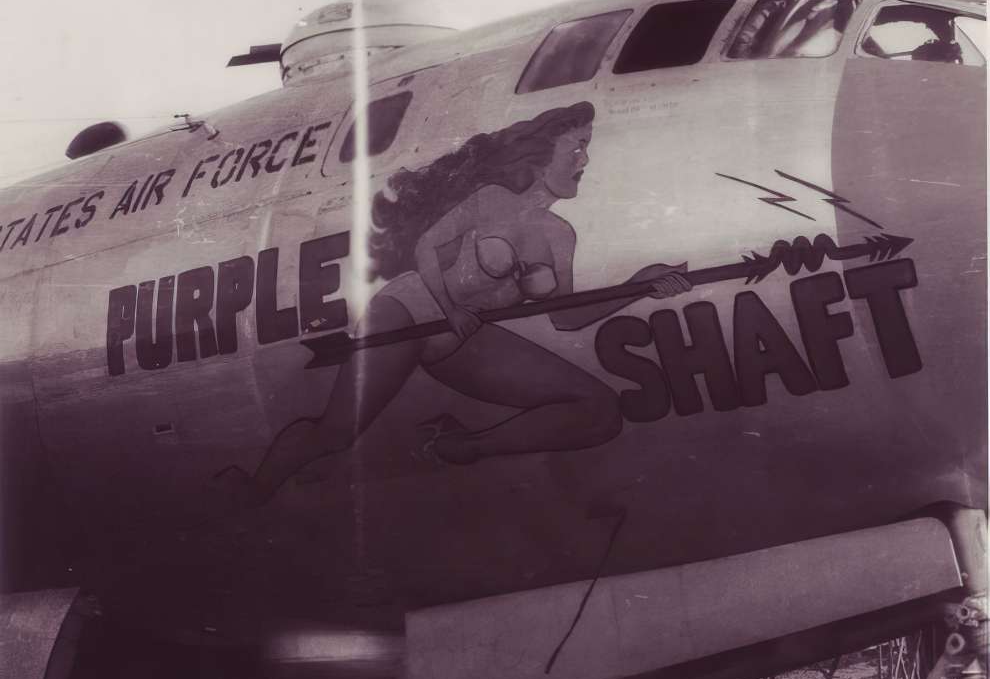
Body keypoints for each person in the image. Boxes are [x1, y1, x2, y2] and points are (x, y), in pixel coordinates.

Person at [221, 101, 689, 504]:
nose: (585, 159)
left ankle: (459, 444)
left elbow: (565, 318)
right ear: (543, 156)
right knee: (337, 432)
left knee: (599, 411)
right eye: (577, 147)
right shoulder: (489, 201)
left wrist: (637, 287)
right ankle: (256, 488)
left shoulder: (559, 235)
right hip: (410, 310)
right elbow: (427, 247)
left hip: (459, 334)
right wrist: (451, 310)